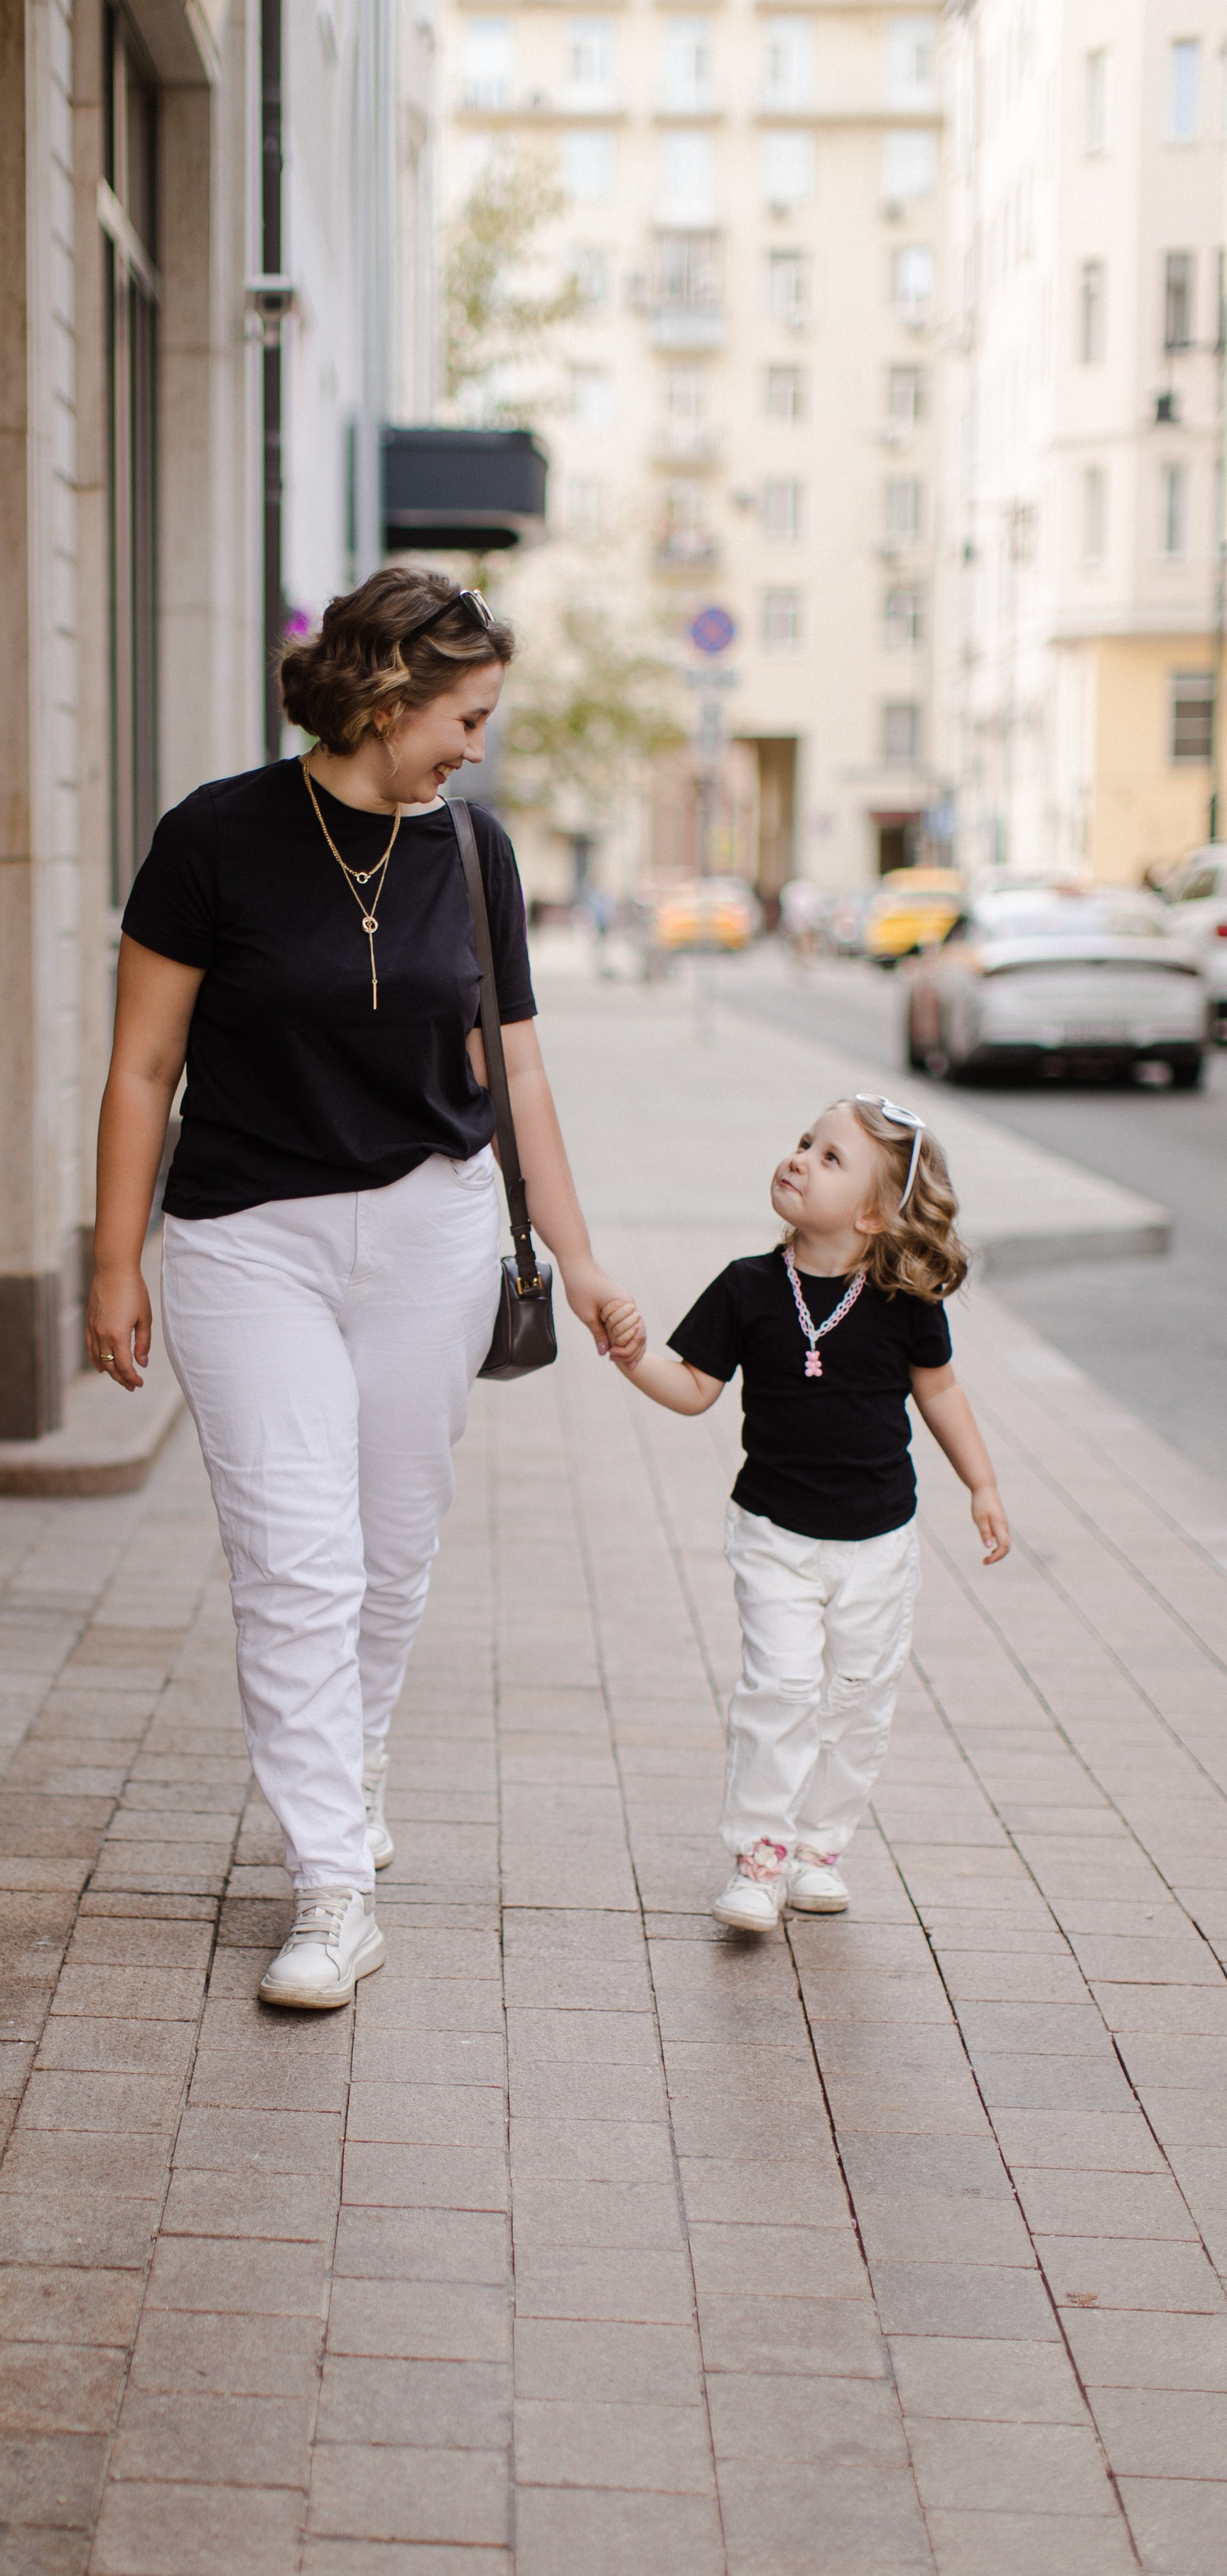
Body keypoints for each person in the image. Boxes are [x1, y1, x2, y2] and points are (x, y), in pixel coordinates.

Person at [85, 567, 627, 2009]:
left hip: (431, 1236)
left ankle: (358, 1748)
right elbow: (143, 1066)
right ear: (385, 700)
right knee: (295, 1560)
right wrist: (108, 1259)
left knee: (388, 1548)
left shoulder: (477, 851)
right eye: (464, 717)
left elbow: (513, 1070)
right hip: (244, 1242)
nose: (475, 746)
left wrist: (576, 1261)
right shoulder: (214, 838)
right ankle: (328, 1884)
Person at [600, 1095, 1010, 1933]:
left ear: (870, 1212)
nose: (798, 1160)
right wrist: (635, 1359)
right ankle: (760, 1856)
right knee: (781, 1688)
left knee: (859, 1697)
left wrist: (982, 1484)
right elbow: (694, 1390)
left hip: (878, 1543)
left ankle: (820, 1849)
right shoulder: (748, 1287)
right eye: (801, 1143)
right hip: (773, 1533)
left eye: (829, 1158)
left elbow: (940, 1392)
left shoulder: (901, 1300)